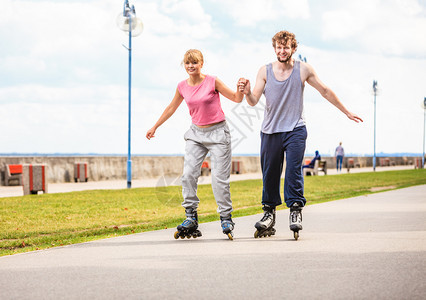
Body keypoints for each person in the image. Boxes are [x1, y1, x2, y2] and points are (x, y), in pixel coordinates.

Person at [238, 30, 363, 240]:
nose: (282, 50)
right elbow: (253, 101)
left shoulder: (303, 69)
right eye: (279, 47)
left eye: (286, 47)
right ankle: (269, 214)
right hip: (270, 130)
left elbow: (324, 90)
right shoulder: (265, 71)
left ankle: (295, 210)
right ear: (275, 48)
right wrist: (247, 92)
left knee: (294, 170)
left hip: (295, 129)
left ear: (293, 48)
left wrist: (347, 111)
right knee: (269, 174)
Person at [146, 49, 244, 240]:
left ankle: (226, 217)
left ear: (201, 63)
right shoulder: (182, 86)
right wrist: (155, 126)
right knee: (188, 175)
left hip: (218, 133)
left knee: (219, 179)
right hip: (196, 134)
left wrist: (240, 89)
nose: (191, 66)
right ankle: (190, 216)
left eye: (194, 63)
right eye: (187, 63)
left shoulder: (212, 81)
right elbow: (171, 108)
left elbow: (235, 98)